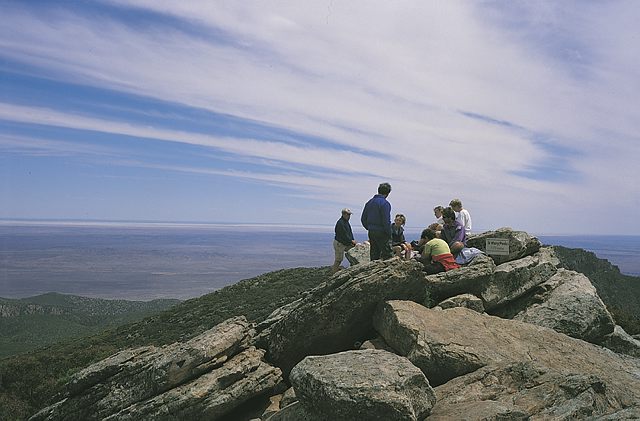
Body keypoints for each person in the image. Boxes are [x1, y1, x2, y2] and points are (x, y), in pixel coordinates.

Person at [361, 182, 393, 261]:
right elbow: (386, 221)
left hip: (371, 231)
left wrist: (369, 227)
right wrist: (389, 233)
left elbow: (363, 219)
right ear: (388, 193)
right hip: (382, 232)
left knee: (374, 254)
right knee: (387, 255)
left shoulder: (369, 203)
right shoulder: (385, 203)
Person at [332, 208, 357, 274]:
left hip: (344, 243)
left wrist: (352, 240)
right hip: (339, 244)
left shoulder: (346, 222)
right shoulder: (340, 223)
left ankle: (353, 266)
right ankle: (334, 273)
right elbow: (344, 235)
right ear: (343, 214)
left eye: (349, 215)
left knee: (353, 251)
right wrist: (351, 241)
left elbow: (349, 233)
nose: (349, 216)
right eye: (348, 214)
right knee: (338, 260)